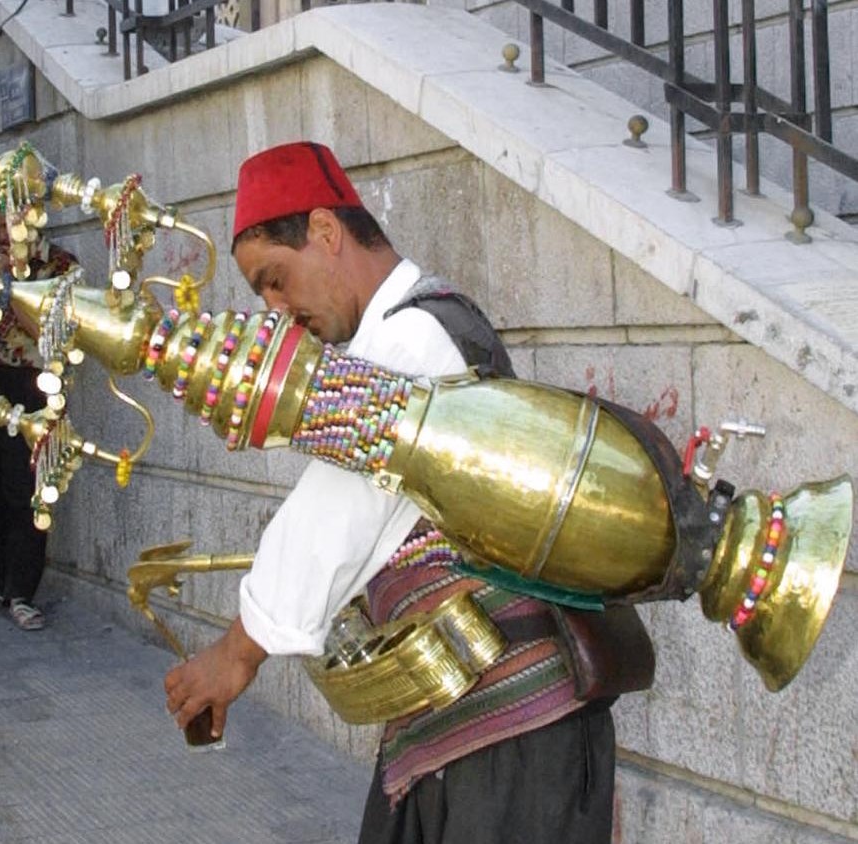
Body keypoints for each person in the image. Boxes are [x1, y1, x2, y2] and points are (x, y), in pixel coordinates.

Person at [162, 142, 622, 843]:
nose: (277, 308)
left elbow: (339, 514)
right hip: (463, 735)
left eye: (276, 280)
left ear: (324, 231)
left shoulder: (415, 342)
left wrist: (237, 653)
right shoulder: (407, 335)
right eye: (262, 294)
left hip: (512, 741)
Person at [0, 191, 80, 632]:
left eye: (4, 229)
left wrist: (15, 292)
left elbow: (55, 335)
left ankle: (23, 590)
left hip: (31, 380)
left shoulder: (61, 268)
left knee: (23, 486)